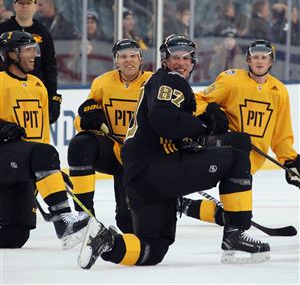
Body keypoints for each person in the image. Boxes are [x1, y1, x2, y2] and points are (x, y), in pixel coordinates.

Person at [77, 34, 271, 269]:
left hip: (139, 182)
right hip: (156, 170)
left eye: (186, 58)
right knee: (238, 155)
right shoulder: (170, 80)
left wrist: (191, 136)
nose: (181, 62)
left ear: (193, 62)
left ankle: (107, 243)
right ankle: (235, 233)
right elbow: (163, 119)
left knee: (153, 248)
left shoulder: (156, 82)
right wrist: (204, 126)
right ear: (165, 61)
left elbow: (164, 125)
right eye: (175, 57)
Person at [180, 39, 300, 224]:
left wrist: (290, 159)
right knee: (237, 216)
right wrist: (212, 111)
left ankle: (179, 205)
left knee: (234, 217)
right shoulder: (231, 80)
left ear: (271, 61)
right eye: (255, 57)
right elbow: (197, 100)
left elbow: (281, 134)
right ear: (248, 61)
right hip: (225, 153)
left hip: (251, 163)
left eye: (264, 57)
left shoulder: (279, 91)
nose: (259, 61)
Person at [0, 30, 89, 249]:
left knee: (14, 237)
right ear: (12, 54)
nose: (34, 55)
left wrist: (52, 172)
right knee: (42, 153)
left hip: (28, 161)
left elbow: (42, 138)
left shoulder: (38, 85)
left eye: (34, 49)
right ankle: (63, 221)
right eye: (28, 50)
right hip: (5, 156)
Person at [67, 39, 152, 233]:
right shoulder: (102, 82)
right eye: (123, 57)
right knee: (81, 144)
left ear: (140, 59)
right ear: (116, 61)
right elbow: (82, 118)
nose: (128, 60)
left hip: (139, 157)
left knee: (128, 222)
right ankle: (83, 215)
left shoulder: (153, 82)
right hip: (112, 149)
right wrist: (88, 119)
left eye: (132, 56)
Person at [0, 0, 61, 124]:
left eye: (28, 3)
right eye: (21, 3)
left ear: (35, 6)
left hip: (34, 91)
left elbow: (50, 67)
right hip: (6, 91)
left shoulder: (43, 33)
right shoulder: (2, 30)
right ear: (14, 5)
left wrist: (53, 97)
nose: (24, 6)